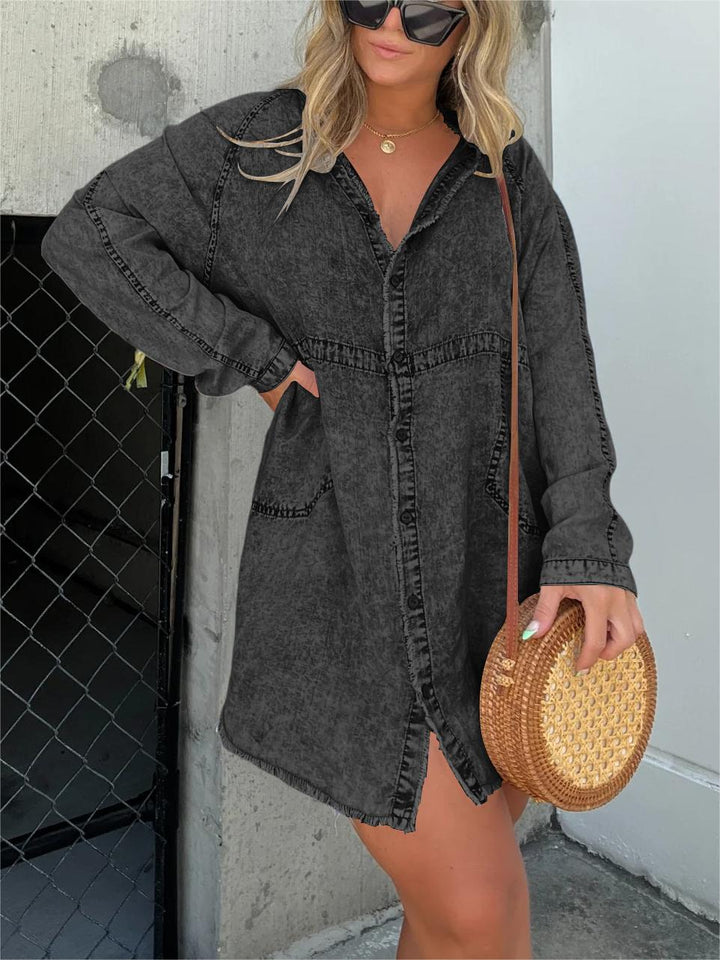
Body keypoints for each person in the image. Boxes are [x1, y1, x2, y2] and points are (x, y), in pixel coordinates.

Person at [40, 1, 646, 956]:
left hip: (491, 584)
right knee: (483, 913)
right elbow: (93, 232)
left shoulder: (505, 177)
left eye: (429, 7)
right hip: (342, 578)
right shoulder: (257, 147)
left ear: (473, 23)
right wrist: (257, 358)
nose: (392, 21)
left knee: (445, 918)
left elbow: (561, 366)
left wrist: (590, 548)